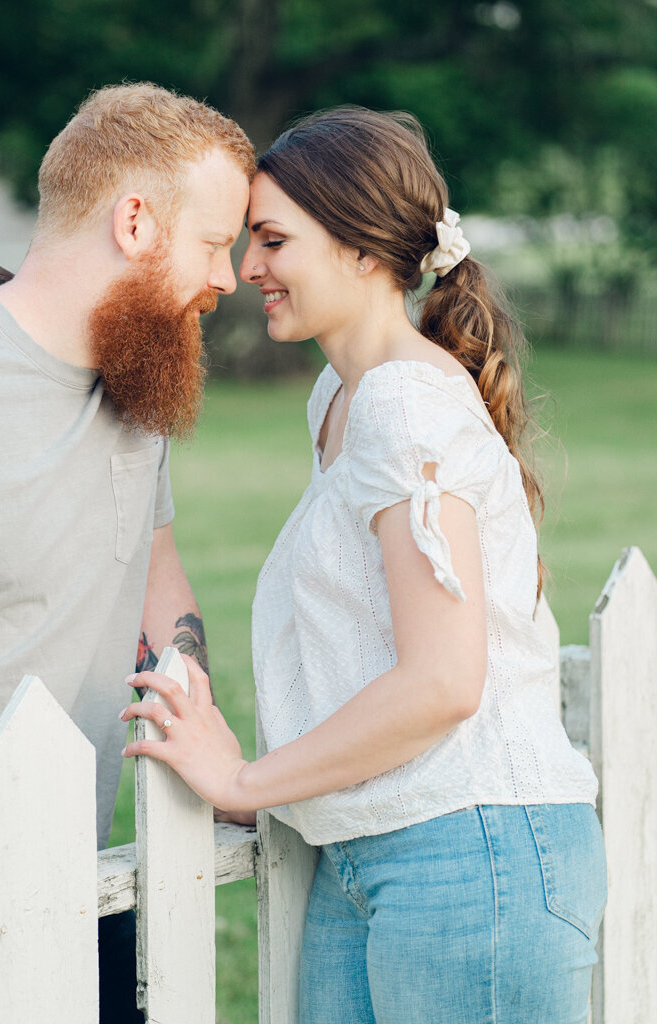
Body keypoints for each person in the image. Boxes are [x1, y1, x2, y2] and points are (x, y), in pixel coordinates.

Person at [122, 107, 607, 1023]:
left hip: (472, 855)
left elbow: (443, 682)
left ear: (356, 247)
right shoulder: (340, 400)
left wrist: (243, 781)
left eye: (271, 240)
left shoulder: (403, 407)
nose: (246, 270)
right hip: (371, 855)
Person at [0, 82, 254, 1022]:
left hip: (80, 895)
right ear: (135, 221)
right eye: (215, 243)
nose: (230, 277)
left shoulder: (141, 389)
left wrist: (207, 740)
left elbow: (155, 583)